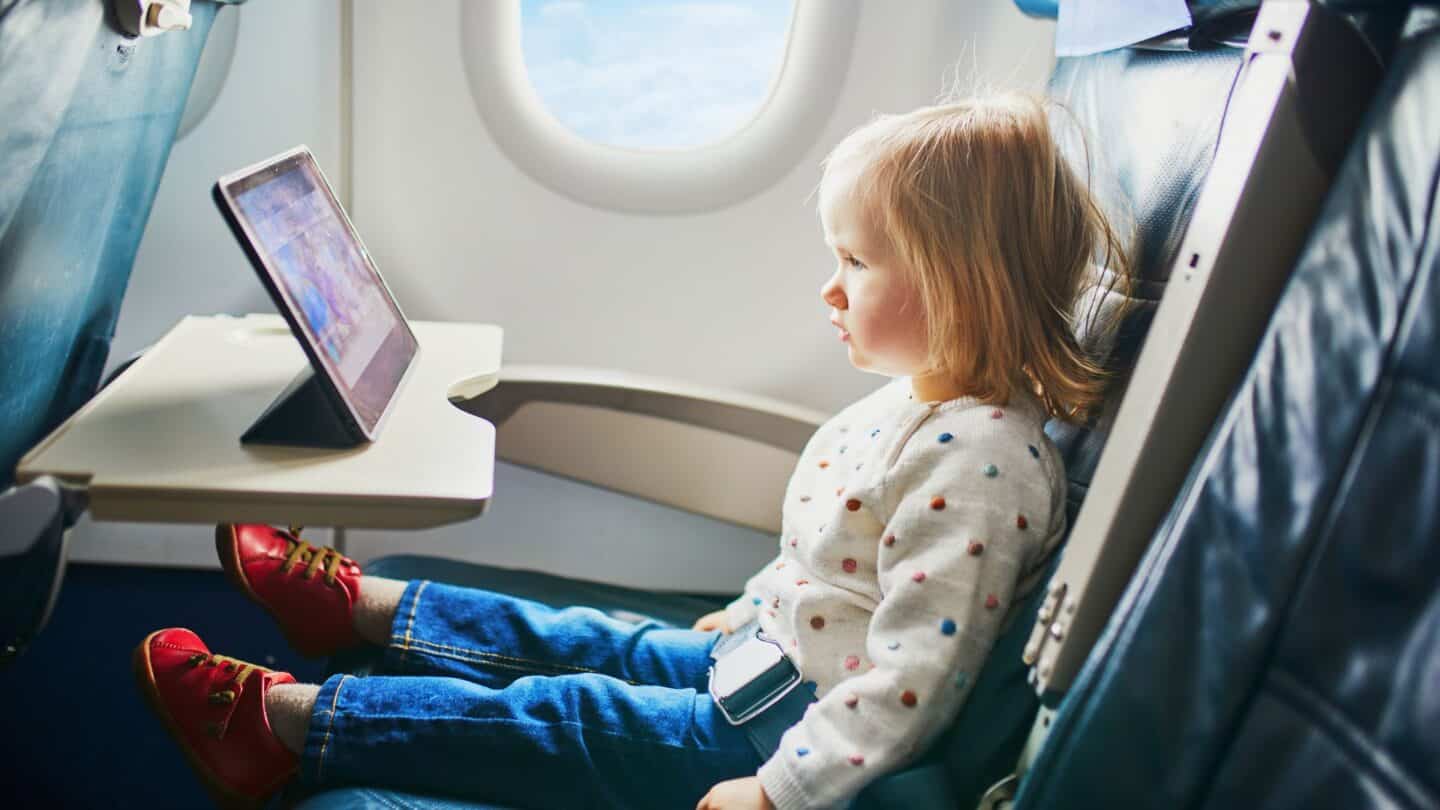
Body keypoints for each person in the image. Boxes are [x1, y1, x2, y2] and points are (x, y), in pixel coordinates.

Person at [133, 92, 1130, 810]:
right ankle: (350, 604)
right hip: (752, 665)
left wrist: (781, 793)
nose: (829, 291)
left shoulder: (983, 466)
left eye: (857, 264)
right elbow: (832, 572)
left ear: (961, 285)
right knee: (577, 634)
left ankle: (280, 728)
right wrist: (746, 615)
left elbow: (915, 678)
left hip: (779, 733)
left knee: (563, 711)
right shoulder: (917, 408)